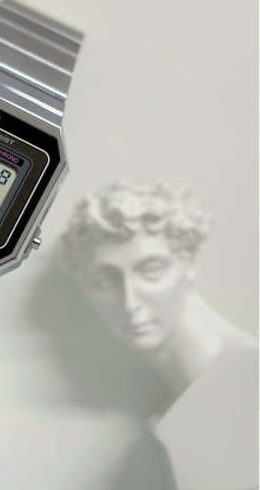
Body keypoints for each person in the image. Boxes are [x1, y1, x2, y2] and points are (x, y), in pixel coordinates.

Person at [62, 181, 258, 490]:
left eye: (151, 270)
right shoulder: (167, 415)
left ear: (189, 264)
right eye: (105, 280)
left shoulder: (250, 375)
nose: (129, 302)